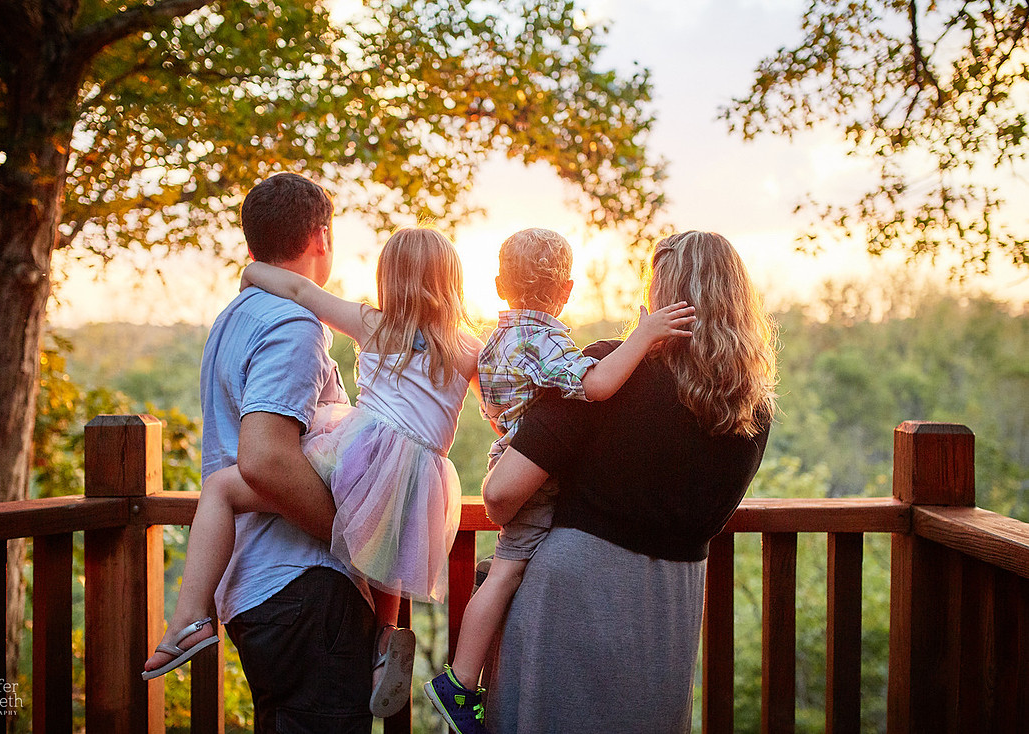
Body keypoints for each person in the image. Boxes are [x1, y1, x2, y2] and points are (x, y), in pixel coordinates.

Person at [145, 222, 482, 720]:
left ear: (388, 277)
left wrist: (253, 270)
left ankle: (192, 616)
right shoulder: (468, 348)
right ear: (454, 282)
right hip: (420, 481)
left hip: (365, 455)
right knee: (383, 538)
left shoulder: (375, 324)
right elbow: (501, 405)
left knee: (220, 488)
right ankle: (386, 638)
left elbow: (303, 290)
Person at [480, 231, 778, 733]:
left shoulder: (607, 374)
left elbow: (500, 493)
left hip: (571, 599)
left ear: (662, 296)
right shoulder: (751, 409)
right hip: (669, 611)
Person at [423, 228, 695, 734]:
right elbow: (596, 384)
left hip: (510, 458)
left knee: (505, 569)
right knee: (505, 572)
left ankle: (463, 679)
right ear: (567, 291)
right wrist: (643, 337)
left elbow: (492, 402)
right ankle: (459, 684)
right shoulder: (546, 342)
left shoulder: (497, 341)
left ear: (500, 284)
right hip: (529, 481)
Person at [141, 173, 377, 732]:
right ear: (321, 238)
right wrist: (358, 538)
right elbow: (265, 460)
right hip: (301, 585)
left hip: (256, 587)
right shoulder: (292, 323)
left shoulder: (233, 319)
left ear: (254, 244)